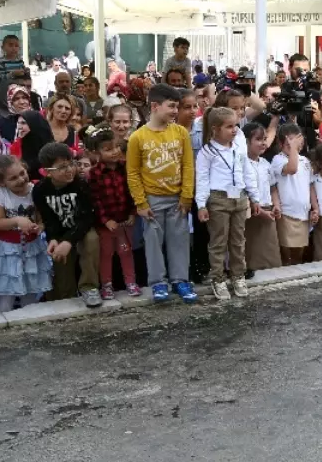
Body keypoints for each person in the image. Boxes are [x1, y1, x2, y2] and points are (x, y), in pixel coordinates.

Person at [126, 83, 196, 303]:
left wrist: (186, 196)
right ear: (155, 106)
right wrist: (141, 202)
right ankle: (158, 282)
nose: (176, 111)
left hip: (177, 199)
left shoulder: (181, 133)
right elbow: (133, 173)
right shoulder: (138, 138)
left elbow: (187, 166)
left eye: (177, 106)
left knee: (179, 239)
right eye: (172, 106)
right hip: (152, 200)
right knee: (153, 242)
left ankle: (180, 280)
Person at [195, 106, 256, 300]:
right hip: (218, 199)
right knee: (219, 242)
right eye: (229, 126)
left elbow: (247, 171)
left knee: (238, 241)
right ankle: (218, 278)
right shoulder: (207, 152)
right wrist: (201, 204)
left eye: (236, 125)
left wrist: (254, 197)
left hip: (239, 197)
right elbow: (202, 179)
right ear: (215, 129)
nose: (235, 130)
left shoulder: (239, 147)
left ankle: (238, 275)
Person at [33, 142, 101, 306]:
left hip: (82, 229)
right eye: (62, 167)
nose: (70, 169)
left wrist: (69, 241)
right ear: (47, 172)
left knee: (91, 240)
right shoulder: (40, 190)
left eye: (72, 163)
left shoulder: (81, 184)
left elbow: (87, 218)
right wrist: (54, 239)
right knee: (59, 259)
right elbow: (49, 220)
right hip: (60, 232)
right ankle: (66, 295)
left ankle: (89, 287)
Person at [0, 154, 53, 313]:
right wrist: (17, 221)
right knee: (6, 293)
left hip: (32, 247)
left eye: (22, 173)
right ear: (1, 182)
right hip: (7, 249)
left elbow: (41, 219)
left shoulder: (34, 189)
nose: (21, 180)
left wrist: (39, 227)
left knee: (31, 290)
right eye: (13, 178)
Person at [86, 127, 140, 297]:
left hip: (124, 220)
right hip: (106, 224)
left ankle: (131, 282)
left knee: (126, 252)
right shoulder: (94, 174)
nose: (114, 152)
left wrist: (132, 213)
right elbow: (95, 200)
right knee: (106, 254)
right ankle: (107, 285)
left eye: (116, 147)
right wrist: (105, 220)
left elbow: (131, 192)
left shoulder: (125, 168)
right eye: (108, 149)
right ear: (96, 152)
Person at [271, 123, 313, 266]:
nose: (294, 145)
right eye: (290, 141)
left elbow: (311, 185)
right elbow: (292, 168)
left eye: (297, 141)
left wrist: (315, 208)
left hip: (303, 213)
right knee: (286, 251)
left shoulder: (306, 161)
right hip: (286, 213)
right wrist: (294, 149)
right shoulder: (278, 159)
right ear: (281, 142)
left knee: (299, 252)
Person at [243, 122, 282, 272]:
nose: (264, 143)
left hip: (268, 210)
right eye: (258, 139)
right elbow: (244, 191)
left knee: (270, 250)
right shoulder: (242, 163)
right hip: (251, 213)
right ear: (246, 141)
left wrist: (276, 205)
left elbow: (272, 188)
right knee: (251, 250)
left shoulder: (266, 163)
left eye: (265, 139)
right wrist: (259, 210)